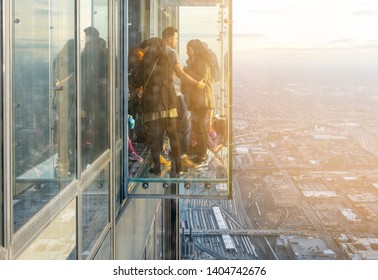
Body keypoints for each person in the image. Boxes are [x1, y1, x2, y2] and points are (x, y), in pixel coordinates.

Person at [135, 37, 182, 177]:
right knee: (173, 135)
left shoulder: (146, 61)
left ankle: (156, 167)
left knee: (155, 136)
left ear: (149, 46)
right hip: (169, 101)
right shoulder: (166, 58)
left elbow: (138, 81)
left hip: (154, 102)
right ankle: (179, 166)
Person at [162, 26, 205, 170]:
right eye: (175, 38)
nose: (175, 41)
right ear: (169, 38)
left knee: (165, 125)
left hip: (161, 94)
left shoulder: (155, 51)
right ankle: (182, 157)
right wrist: (197, 83)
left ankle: (162, 154)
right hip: (173, 93)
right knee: (185, 125)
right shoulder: (171, 52)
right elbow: (180, 74)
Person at [182, 39, 215, 165]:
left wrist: (185, 72)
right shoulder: (196, 61)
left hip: (203, 99)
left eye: (188, 48)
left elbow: (202, 79)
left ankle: (202, 154)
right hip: (199, 99)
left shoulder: (202, 61)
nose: (186, 51)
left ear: (195, 49)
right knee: (197, 125)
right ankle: (200, 150)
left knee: (199, 126)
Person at [81, 26, 108, 167]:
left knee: (85, 127)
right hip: (102, 96)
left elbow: (80, 72)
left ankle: (90, 158)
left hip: (90, 94)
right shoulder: (104, 52)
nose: (85, 40)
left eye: (86, 37)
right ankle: (99, 156)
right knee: (100, 128)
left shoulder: (86, 53)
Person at [53, 39, 76, 177]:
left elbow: (56, 80)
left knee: (62, 128)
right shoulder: (73, 60)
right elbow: (74, 76)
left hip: (59, 98)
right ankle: (67, 158)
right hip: (69, 97)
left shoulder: (58, 58)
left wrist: (59, 83)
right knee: (69, 128)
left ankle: (62, 158)